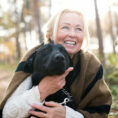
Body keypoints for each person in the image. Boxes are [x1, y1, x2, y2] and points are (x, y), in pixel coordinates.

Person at [0, 8, 112, 118]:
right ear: (51, 34)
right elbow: (8, 114)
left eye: (79, 29)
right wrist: (41, 91)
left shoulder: (90, 65)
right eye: (65, 27)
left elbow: (101, 112)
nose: (72, 34)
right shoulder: (35, 56)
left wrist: (66, 115)